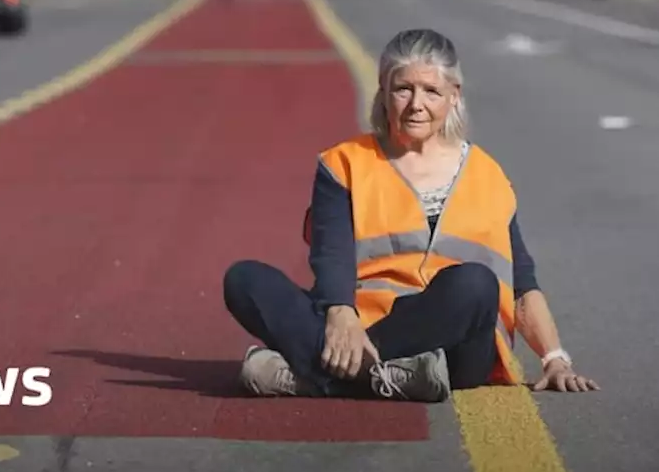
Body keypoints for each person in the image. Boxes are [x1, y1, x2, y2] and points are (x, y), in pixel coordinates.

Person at [222, 29, 600, 402]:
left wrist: (555, 359)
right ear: (384, 92)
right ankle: (392, 377)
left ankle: (322, 375)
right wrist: (341, 315)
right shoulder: (344, 163)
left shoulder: (490, 175)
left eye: (431, 91)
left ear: (454, 97)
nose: (416, 104)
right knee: (245, 280)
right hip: (365, 324)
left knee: (475, 283)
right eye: (403, 89)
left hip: (457, 348)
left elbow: (521, 283)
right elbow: (331, 254)